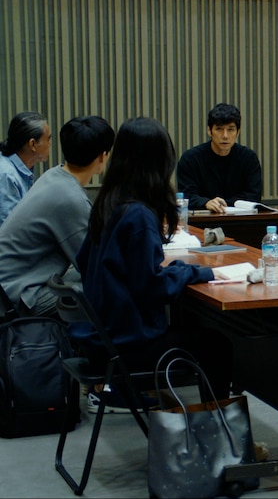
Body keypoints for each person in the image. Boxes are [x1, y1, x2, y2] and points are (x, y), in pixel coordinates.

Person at [69, 117, 233, 412]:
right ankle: (218, 434)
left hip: (101, 338)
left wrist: (174, 272)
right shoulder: (139, 215)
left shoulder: (108, 201)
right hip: (127, 345)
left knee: (202, 336)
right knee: (217, 346)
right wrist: (199, 272)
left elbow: (84, 261)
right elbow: (152, 287)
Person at [0, 116, 114, 318]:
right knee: (109, 291)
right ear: (102, 157)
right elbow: (94, 264)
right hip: (17, 295)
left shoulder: (54, 175)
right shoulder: (70, 198)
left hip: (12, 282)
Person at [176, 102, 262, 213]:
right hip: (203, 220)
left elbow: (253, 195)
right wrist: (206, 202)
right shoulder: (191, 159)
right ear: (209, 131)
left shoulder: (249, 158)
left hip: (239, 219)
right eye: (219, 129)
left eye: (230, 129)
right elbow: (186, 197)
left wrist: (223, 204)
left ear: (238, 132)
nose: (225, 135)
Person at [0, 111, 52, 225]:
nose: (50, 144)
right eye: (48, 139)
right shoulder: (6, 175)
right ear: (33, 144)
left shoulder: (21, 168)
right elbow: (9, 229)